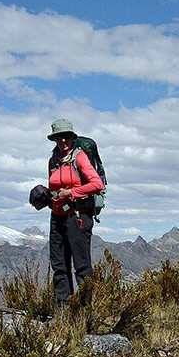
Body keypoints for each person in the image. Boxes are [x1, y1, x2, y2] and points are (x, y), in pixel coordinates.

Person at [46, 118, 105, 303]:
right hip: (57, 216)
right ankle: (64, 310)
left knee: (81, 265)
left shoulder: (79, 157)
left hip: (78, 216)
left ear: (72, 137)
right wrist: (46, 198)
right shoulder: (53, 161)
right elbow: (56, 188)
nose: (64, 140)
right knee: (59, 265)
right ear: (54, 139)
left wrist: (71, 193)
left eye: (67, 136)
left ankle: (88, 308)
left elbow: (97, 184)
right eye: (60, 137)